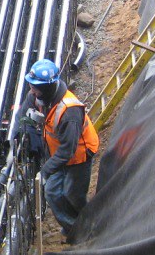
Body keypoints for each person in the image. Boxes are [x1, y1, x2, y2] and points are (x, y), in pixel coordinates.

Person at [15, 58, 99, 238]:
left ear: (47, 88)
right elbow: (22, 116)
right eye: (31, 85)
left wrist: (45, 170)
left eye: (35, 86)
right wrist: (25, 131)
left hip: (79, 155)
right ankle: (74, 229)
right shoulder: (37, 96)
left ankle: (90, 229)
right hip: (57, 153)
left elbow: (68, 150)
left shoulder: (69, 111)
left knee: (73, 195)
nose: (31, 90)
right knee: (52, 193)